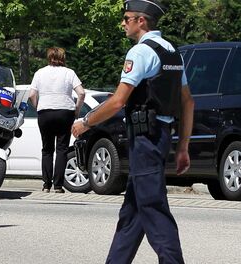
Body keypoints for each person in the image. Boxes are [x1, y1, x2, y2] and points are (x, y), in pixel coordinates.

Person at [71, 0, 194, 263]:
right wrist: (182, 146)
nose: (123, 23)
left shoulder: (140, 52)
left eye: (127, 18)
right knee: (132, 213)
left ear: (141, 21)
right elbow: (188, 102)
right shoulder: (172, 52)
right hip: (161, 136)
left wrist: (86, 122)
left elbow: (118, 101)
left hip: (146, 139)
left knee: (153, 209)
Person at [29, 47, 85, 193]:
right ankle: (58, 186)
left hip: (45, 112)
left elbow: (31, 95)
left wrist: (38, 107)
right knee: (62, 149)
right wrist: (76, 110)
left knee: (47, 149)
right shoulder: (69, 73)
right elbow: (81, 93)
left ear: (49, 57)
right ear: (63, 57)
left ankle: (46, 184)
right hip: (65, 112)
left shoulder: (40, 73)